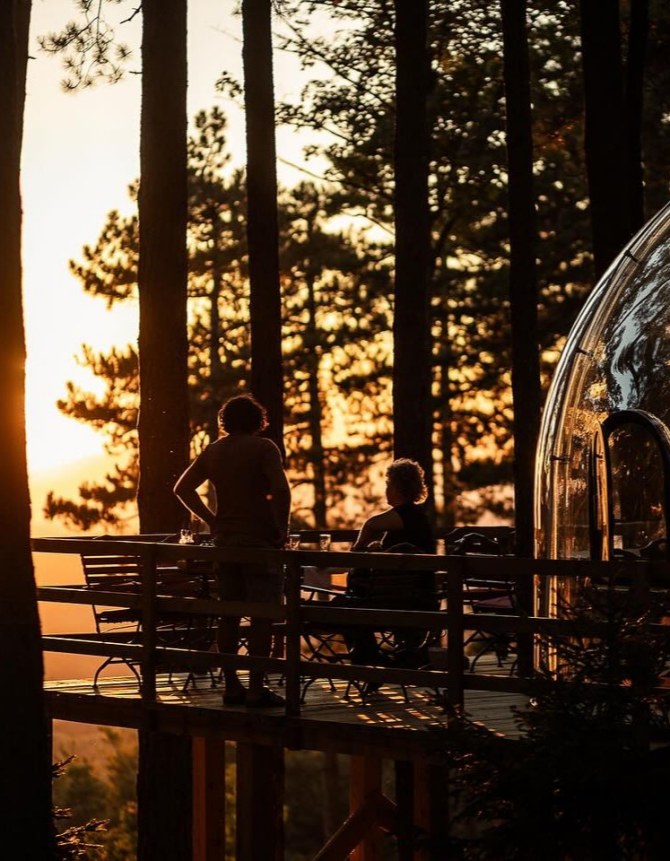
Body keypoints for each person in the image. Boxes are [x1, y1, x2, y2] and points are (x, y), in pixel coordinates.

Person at [174, 394, 291, 708]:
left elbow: (182, 488)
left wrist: (212, 520)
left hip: (225, 545)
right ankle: (256, 688)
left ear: (225, 421)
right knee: (261, 617)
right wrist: (282, 527)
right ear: (257, 420)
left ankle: (231, 685)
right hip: (259, 544)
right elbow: (280, 488)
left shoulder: (214, 451)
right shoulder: (264, 448)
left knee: (228, 615)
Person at [335, 458, 438, 669]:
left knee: (343, 606)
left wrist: (358, 548)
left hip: (396, 601)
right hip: (418, 598)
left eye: (389, 484)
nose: (386, 490)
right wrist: (379, 551)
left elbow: (371, 524)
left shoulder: (406, 515)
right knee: (349, 604)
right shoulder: (418, 518)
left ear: (399, 487)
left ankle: (368, 659)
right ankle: (372, 658)